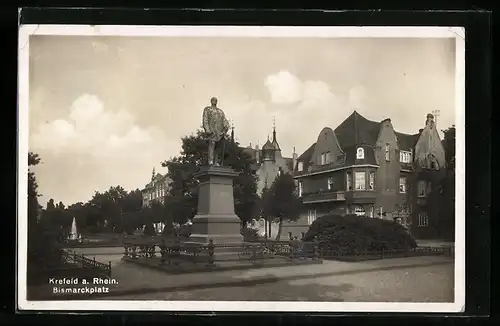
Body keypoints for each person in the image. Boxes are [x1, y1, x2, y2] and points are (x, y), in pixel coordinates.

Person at [202, 97, 230, 166]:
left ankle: (216, 161)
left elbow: (224, 120)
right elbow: (205, 120)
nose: (214, 101)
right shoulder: (207, 109)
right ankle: (210, 161)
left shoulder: (220, 111)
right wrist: (207, 130)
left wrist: (226, 127)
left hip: (219, 132)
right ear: (211, 101)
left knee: (218, 147)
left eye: (216, 100)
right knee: (212, 145)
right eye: (213, 100)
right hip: (212, 130)